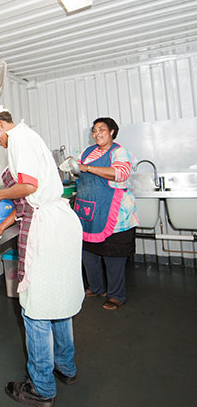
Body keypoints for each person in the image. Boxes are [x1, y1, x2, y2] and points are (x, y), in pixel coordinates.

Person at [0, 105, 84, 407]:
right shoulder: (31, 137)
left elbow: (28, 187)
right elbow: (26, 201)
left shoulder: (19, 139)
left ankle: (41, 389)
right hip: (61, 223)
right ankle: (66, 367)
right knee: (59, 300)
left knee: (35, 308)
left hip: (46, 230)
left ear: (0, 124)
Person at [73, 117, 138, 310]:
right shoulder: (87, 152)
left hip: (114, 212)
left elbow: (120, 174)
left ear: (111, 132)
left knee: (113, 255)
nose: (97, 133)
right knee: (88, 254)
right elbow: (78, 172)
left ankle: (116, 295)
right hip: (88, 210)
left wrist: (88, 168)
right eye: (94, 130)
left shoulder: (119, 151)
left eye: (102, 129)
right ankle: (96, 287)